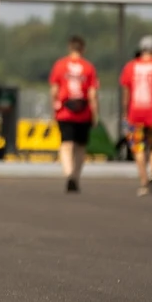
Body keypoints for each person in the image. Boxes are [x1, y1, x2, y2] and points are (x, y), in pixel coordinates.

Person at [120, 35, 152, 196]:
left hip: (135, 113)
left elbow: (126, 91)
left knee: (138, 147)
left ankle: (143, 181)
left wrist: (125, 111)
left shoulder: (130, 67)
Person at [49, 36, 99, 194]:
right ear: (83, 49)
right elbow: (92, 94)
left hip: (64, 111)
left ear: (70, 48)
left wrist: (54, 109)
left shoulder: (60, 65)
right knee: (80, 146)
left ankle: (68, 173)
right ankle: (75, 176)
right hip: (83, 111)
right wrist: (95, 114)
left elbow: (54, 90)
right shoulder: (88, 67)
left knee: (66, 144)